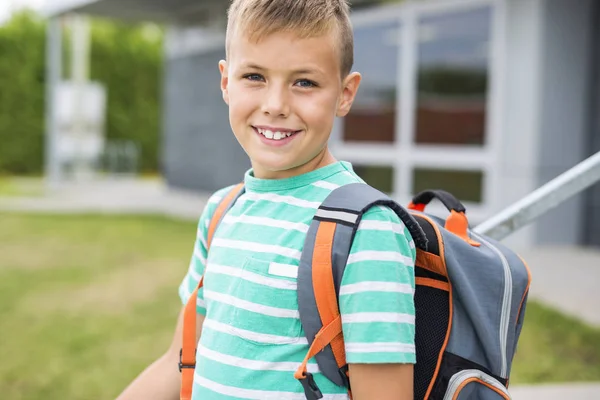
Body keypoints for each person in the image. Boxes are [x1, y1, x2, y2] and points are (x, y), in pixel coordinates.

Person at [116, 0, 416, 398]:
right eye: (254, 76)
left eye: (304, 82)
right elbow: (180, 359)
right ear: (226, 82)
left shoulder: (366, 229)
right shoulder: (222, 211)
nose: (275, 105)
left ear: (345, 94)